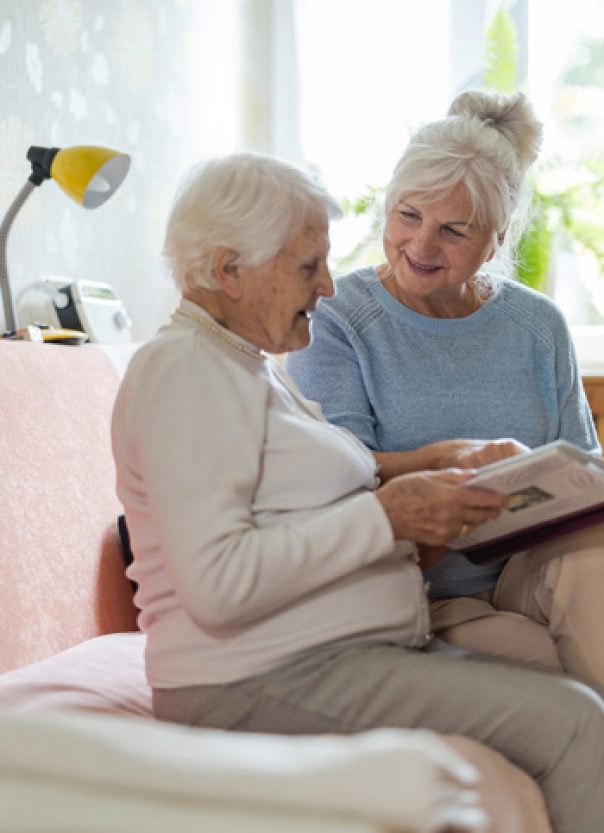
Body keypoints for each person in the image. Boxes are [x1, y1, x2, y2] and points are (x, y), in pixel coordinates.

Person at [111, 151, 604, 833]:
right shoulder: (183, 370)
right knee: (577, 721)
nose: (327, 287)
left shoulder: (244, 365)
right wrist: (388, 514)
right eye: (307, 267)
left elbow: (306, 508)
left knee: (567, 687)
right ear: (229, 271)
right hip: (256, 678)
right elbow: (217, 582)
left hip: (336, 653)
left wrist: (433, 474)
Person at [286, 90, 604, 688]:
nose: (421, 246)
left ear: (497, 235)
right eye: (408, 216)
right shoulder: (339, 316)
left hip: (529, 571)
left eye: (453, 230)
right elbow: (336, 475)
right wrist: (447, 460)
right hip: (419, 586)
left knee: (596, 565)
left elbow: (584, 474)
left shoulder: (539, 327)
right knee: (537, 658)